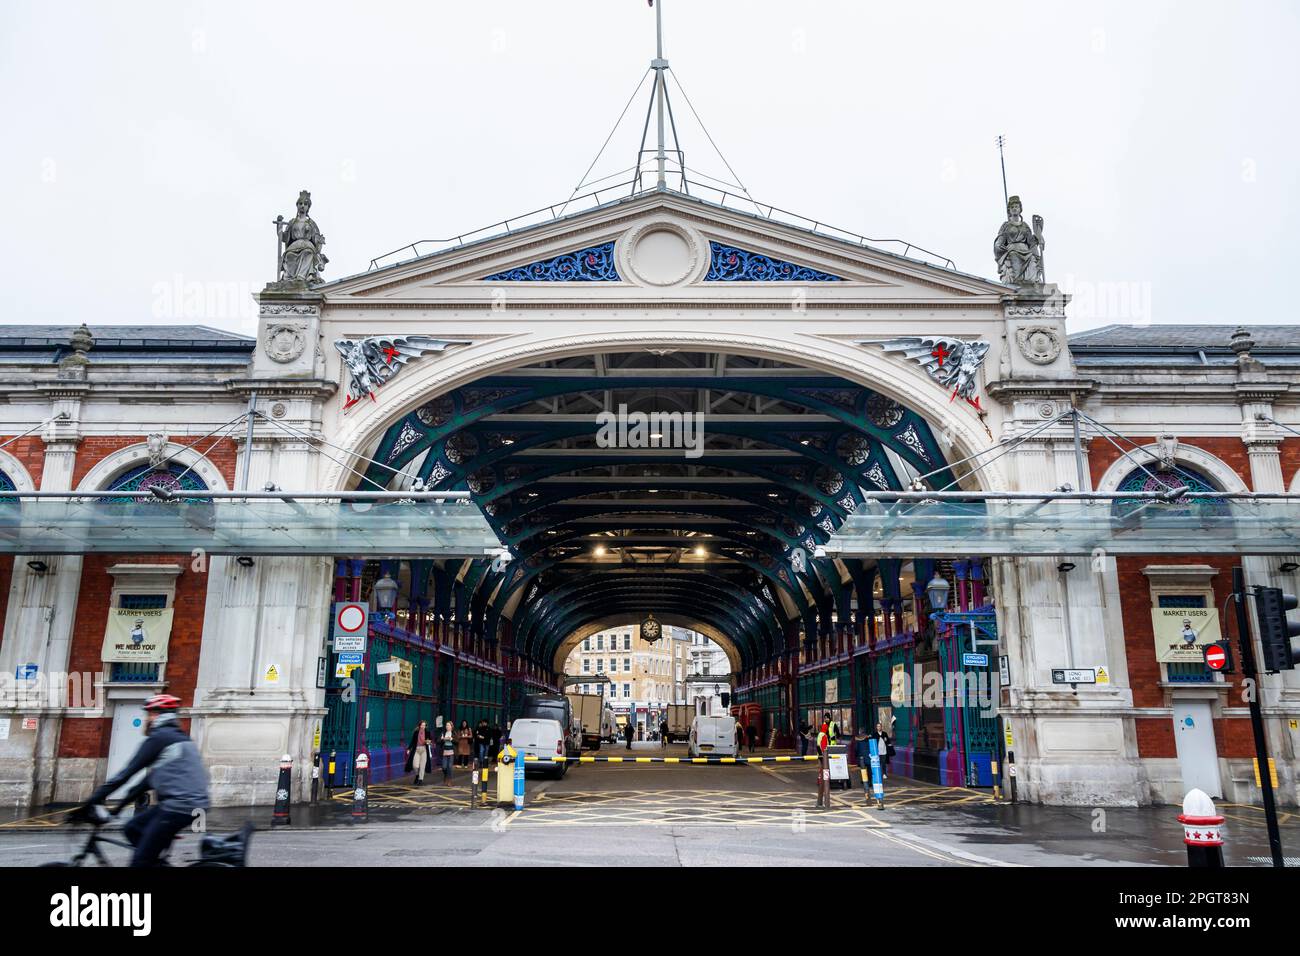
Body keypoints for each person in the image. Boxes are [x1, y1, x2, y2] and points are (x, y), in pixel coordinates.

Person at [74, 694, 209, 867]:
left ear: (157, 715)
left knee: (140, 861)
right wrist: (117, 809)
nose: (146, 719)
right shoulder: (176, 737)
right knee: (132, 828)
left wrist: (89, 803)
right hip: (188, 804)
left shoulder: (160, 738)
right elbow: (146, 783)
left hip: (180, 806)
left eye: (148, 714)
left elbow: (125, 774)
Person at [405, 719, 433, 785]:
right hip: (417, 749)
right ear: (419, 725)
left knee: (422, 766)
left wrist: (428, 742)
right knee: (415, 766)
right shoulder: (416, 732)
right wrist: (408, 749)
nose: (423, 726)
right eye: (422, 725)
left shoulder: (427, 732)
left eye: (424, 725)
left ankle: (420, 779)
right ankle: (417, 775)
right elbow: (412, 741)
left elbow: (430, 741)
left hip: (424, 750)